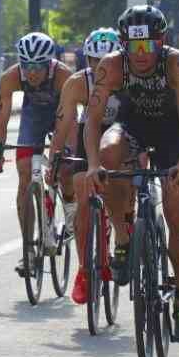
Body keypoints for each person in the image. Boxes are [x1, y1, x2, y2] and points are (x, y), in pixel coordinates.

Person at [77, 5, 179, 337]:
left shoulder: (176, 63)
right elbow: (91, 119)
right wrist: (92, 166)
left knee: (175, 212)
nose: (141, 53)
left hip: (170, 133)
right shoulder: (112, 66)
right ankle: (122, 234)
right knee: (108, 154)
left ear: (162, 42)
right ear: (123, 44)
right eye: (133, 46)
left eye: (148, 45)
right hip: (133, 127)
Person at [0, 32, 74, 278]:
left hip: (62, 113)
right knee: (25, 172)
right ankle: (28, 250)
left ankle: (70, 211)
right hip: (34, 115)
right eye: (27, 66)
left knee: (67, 167)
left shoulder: (63, 76)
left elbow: (70, 120)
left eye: (38, 66)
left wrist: (67, 153)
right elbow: (2, 118)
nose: (33, 72)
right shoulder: (11, 77)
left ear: (50, 63)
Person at [49, 27, 123, 305]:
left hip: (121, 131)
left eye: (107, 60)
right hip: (88, 133)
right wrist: (56, 156)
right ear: (86, 60)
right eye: (93, 61)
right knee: (82, 194)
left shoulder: (129, 79)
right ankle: (83, 269)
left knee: (124, 188)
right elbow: (63, 122)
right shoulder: (77, 83)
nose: (100, 66)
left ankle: (122, 243)